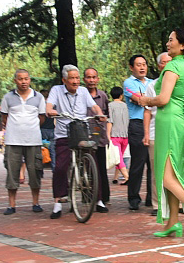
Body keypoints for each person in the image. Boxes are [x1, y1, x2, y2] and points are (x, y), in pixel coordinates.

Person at [127, 28, 184, 240]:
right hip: (177, 122)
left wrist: (144, 100)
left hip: (170, 123)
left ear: (182, 45)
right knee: (174, 175)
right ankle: (173, 222)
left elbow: (163, 99)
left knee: (167, 178)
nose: (168, 43)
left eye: (171, 40)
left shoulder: (173, 66)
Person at [46, 65, 106, 218]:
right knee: (60, 168)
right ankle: (58, 202)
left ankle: (98, 200)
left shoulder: (83, 91)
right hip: (63, 134)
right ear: (64, 80)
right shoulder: (56, 90)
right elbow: (49, 105)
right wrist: (51, 110)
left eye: (77, 78)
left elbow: (94, 106)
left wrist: (99, 114)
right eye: (72, 78)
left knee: (93, 164)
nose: (75, 81)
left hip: (81, 133)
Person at [1, 69, 46, 215]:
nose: (23, 82)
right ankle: (11, 205)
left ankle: (36, 203)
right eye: (20, 79)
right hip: (13, 140)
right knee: (12, 172)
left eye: (26, 79)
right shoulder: (8, 97)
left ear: (29, 80)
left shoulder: (38, 97)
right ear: (15, 81)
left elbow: (41, 118)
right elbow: (4, 117)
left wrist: (30, 128)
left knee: (35, 172)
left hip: (33, 140)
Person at [144, 53, 172, 216]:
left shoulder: (182, 83)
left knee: (176, 169)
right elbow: (147, 111)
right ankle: (158, 205)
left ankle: (177, 202)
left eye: (170, 62)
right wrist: (146, 134)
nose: (167, 65)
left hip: (176, 132)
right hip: (156, 132)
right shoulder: (152, 86)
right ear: (159, 66)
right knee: (157, 171)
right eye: (163, 62)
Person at [123, 55, 152, 211]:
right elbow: (139, 100)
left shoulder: (152, 82)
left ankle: (151, 198)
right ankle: (133, 198)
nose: (142, 67)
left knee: (153, 163)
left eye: (144, 64)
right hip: (137, 125)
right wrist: (150, 99)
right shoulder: (128, 83)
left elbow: (148, 100)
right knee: (138, 163)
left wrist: (147, 99)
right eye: (138, 65)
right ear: (131, 67)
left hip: (153, 124)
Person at [84, 67, 111, 212]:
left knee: (100, 168)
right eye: (88, 77)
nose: (91, 80)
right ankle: (87, 197)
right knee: (86, 168)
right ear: (84, 80)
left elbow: (107, 116)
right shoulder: (81, 95)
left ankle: (103, 198)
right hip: (84, 136)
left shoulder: (103, 96)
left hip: (99, 137)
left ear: (98, 79)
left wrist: (107, 134)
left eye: (94, 77)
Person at [108, 86, 130, 184]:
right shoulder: (126, 106)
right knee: (119, 157)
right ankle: (115, 177)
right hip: (125, 135)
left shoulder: (110, 106)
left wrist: (108, 135)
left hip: (115, 135)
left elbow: (110, 121)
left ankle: (127, 177)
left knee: (118, 158)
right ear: (121, 95)